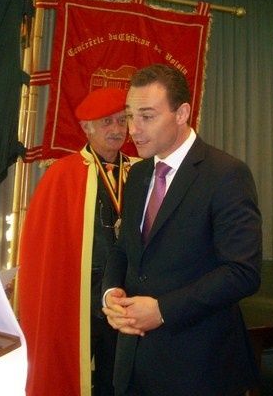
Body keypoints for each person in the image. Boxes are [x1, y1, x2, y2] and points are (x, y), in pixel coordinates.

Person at [102, 63, 262, 395]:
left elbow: (242, 272)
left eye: (147, 116)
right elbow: (124, 249)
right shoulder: (138, 175)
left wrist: (163, 310)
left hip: (198, 368)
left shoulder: (226, 174)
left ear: (182, 113)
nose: (133, 129)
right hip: (133, 365)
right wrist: (111, 293)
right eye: (130, 116)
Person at [17, 87, 137, 396]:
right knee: (73, 371)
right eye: (106, 122)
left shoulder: (141, 171)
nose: (117, 129)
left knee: (120, 376)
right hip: (81, 294)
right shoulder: (62, 174)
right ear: (87, 128)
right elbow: (44, 247)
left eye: (122, 120)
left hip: (129, 293)